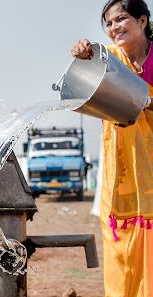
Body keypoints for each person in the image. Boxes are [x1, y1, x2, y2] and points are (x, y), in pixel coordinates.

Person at [72, 0, 153, 295]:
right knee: (122, 257)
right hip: (121, 179)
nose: (114, 27)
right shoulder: (110, 61)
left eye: (121, 19)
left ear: (143, 21)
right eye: (108, 23)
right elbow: (84, 84)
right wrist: (84, 57)